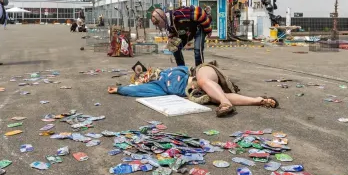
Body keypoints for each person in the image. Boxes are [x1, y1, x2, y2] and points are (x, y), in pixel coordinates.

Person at [108, 62, 278, 117]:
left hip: (200, 73)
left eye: (145, 74)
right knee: (214, 97)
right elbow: (138, 91)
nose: (144, 76)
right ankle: (258, 100)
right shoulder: (158, 86)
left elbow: (187, 69)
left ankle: (225, 103)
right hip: (198, 90)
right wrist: (120, 89)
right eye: (141, 78)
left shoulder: (169, 71)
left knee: (204, 81)